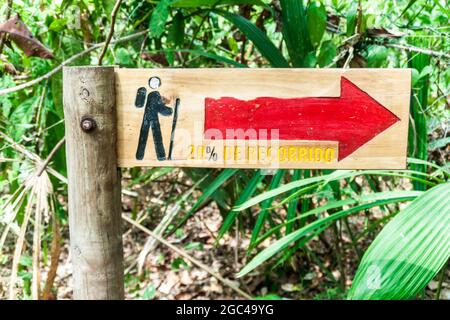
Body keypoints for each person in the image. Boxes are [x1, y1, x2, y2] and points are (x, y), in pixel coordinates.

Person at [135, 77, 173, 160]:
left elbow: (159, 107)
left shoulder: (154, 95)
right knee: (152, 135)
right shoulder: (154, 95)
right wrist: (169, 111)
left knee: (148, 135)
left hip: (149, 116)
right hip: (150, 116)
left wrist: (167, 110)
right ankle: (159, 156)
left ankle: (158, 156)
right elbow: (160, 108)